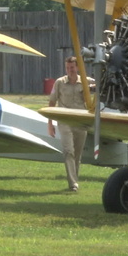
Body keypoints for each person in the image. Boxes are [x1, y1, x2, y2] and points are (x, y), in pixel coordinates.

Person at [47, 56, 93, 191]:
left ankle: (74, 181)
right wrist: (50, 123)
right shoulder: (59, 83)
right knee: (68, 151)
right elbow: (51, 102)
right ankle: (73, 183)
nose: (69, 70)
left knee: (77, 154)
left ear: (77, 67)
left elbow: (101, 86)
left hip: (80, 121)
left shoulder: (86, 81)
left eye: (72, 67)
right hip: (64, 121)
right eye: (67, 68)